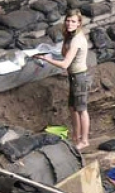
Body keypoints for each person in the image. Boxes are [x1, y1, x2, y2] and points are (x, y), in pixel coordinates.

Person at [34, 9, 91, 149]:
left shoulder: (77, 40)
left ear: (79, 23)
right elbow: (64, 53)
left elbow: (65, 64)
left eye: (73, 21)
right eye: (68, 21)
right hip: (73, 76)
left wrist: (46, 59)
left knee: (81, 109)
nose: (69, 23)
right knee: (72, 108)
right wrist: (65, 39)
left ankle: (84, 140)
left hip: (80, 77)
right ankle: (76, 137)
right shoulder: (70, 36)